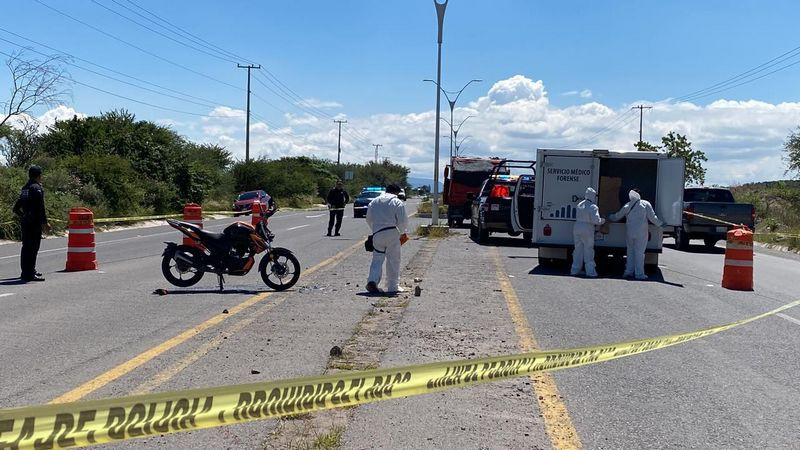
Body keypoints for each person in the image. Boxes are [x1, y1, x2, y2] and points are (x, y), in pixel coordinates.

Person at [609, 188, 663, 280]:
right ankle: (639, 274)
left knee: (630, 252)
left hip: (630, 233)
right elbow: (652, 218)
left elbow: (617, 216)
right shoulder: (645, 204)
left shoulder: (627, 205)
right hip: (641, 233)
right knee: (639, 253)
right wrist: (661, 224)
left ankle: (628, 272)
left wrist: (608, 216)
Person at [365, 184, 408, 294]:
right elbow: (402, 221)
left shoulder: (374, 202)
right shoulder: (397, 202)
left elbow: (368, 219)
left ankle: (372, 281)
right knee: (393, 260)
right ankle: (393, 286)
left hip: (377, 233)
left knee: (377, 258)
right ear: (397, 192)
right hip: (392, 232)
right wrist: (402, 233)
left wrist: (375, 229)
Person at [13, 165, 51, 282]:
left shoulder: (25, 188)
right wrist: (45, 223)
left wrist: (24, 216)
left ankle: (27, 271)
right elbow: (40, 208)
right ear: (39, 176)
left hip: (25, 223)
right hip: (34, 223)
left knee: (26, 248)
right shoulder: (36, 188)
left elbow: (16, 208)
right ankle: (29, 274)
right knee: (33, 248)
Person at [571, 187, 605, 277]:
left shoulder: (579, 204)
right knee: (588, 249)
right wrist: (603, 221)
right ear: (593, 196)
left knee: (578, 249)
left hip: (577, 227)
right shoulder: (593, 207)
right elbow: (596, 221)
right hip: (587, 228)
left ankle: (575, 270)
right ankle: (590, 272)